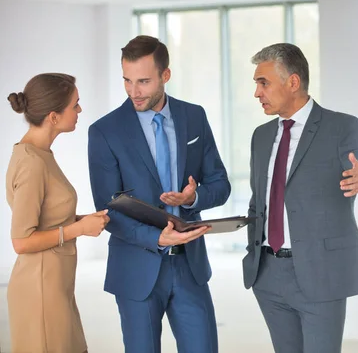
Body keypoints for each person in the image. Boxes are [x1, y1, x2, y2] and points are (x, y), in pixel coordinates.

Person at [243, 43, 358, 353]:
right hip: (268, 276)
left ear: (293, 82)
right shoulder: (260, 136)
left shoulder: (342, 128)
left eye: (264, 83)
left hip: (321, 275)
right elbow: (258, 202)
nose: (257, 93)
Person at [88, 35, 230, 353]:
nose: (134, 91)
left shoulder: (194, 117)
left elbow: (220, 184)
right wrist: (156, 238)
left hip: (190, 268)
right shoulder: (104, 131)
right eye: (127, 80)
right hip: (137, 267)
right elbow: (107, 207)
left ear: (165, 76)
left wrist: (192, 198)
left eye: (143, 81)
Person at [5, 73, 110, 353]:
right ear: (53, 116)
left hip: (55, 286)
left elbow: (47, 218)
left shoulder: (40, 155)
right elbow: (22, 241)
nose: (79, 111)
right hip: (40, 291)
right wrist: (79, 229)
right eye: (75, 105)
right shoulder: (31, 163)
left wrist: (85, 221)